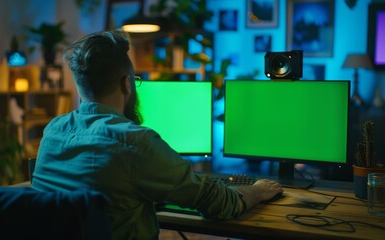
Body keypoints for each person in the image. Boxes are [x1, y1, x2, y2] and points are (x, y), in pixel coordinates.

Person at [32, 29, 283, 239]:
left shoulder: (53, 131)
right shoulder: (134, 142)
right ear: (126, 84)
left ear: (80, 87)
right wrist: (259, 190)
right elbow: (219, 203)